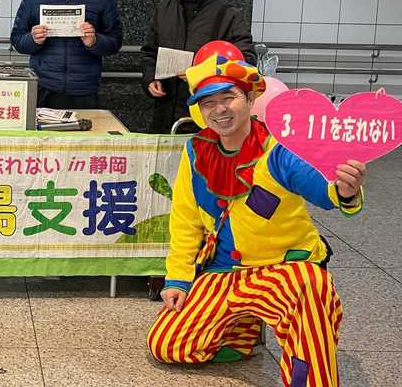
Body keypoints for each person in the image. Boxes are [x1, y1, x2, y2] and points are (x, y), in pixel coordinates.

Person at [146, 51, 366, 387]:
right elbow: (185, 220)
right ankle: (242, 331)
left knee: (313, 288)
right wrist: (178, 279)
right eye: (208, 102)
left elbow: (323, 189)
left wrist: (344, 190)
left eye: (228, 97)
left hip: (282, 269)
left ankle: (312, 378)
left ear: (250, 99)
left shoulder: (277, 149)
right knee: (167, 344)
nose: (219, 109)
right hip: (224, 271)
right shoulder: (196, 150)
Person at [140, 0, 255, 133]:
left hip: (210, 119)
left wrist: (200, 73)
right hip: (164, 116)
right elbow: (149, 53)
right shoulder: (164, 11)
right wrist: (150, 78)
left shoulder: (229, 15)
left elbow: (247, 61)